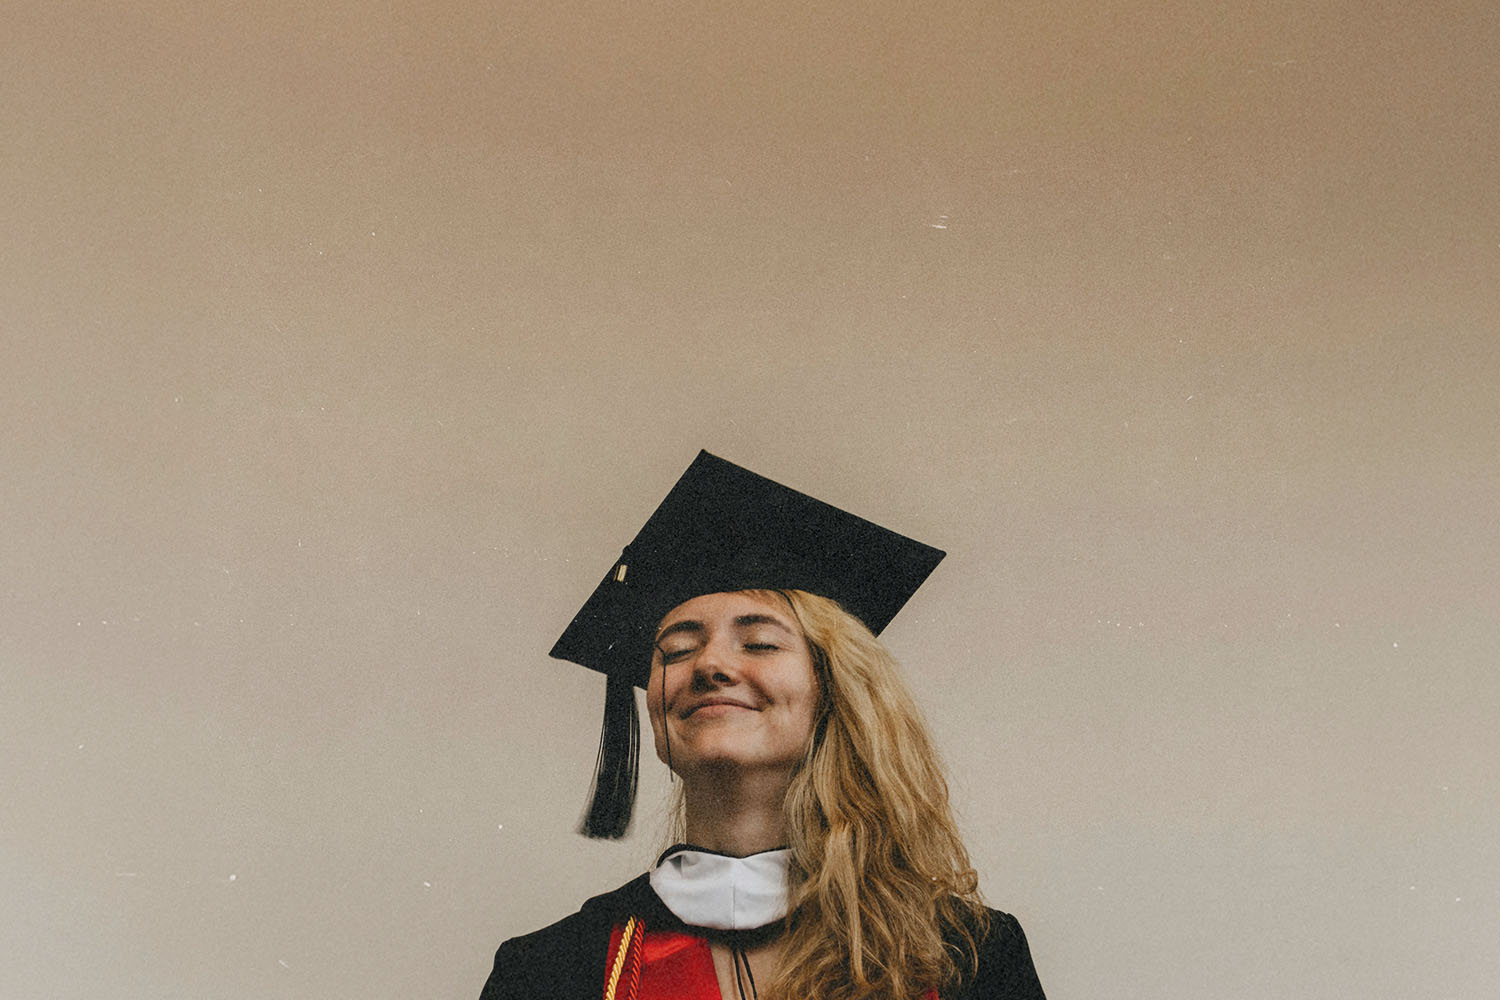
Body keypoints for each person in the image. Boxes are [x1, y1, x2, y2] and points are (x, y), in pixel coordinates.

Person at [480, 452, 1046, 1000]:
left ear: (835, 691)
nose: (710, 665)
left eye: (760, 643)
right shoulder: (552, 971)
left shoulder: (964, 957)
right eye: (676, 650)